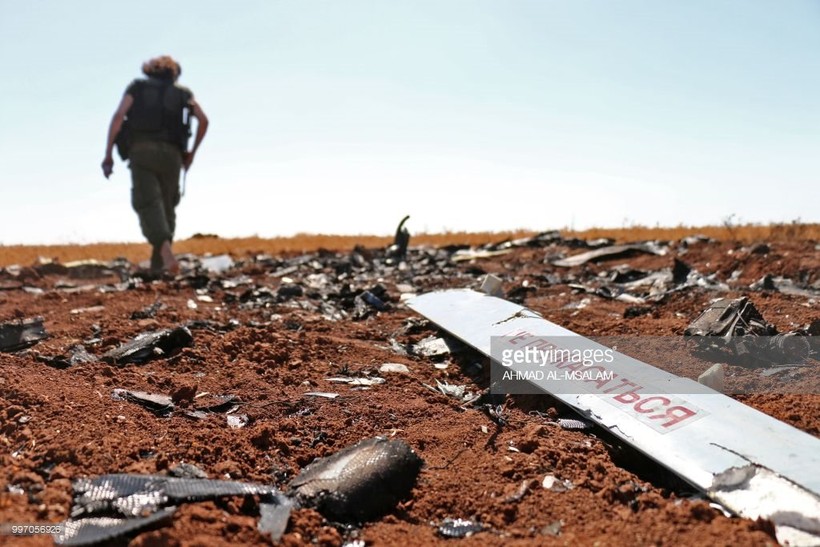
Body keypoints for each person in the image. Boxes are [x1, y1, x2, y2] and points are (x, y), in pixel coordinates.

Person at [101, 55, 208, 273]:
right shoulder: (183, 93)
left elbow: (119, 116)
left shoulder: (137, 88)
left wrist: (108, 153)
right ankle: (159, 266)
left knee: (148, 202)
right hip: (172, 154)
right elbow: (203, 120)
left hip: (142, 151)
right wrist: (192, 154)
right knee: (167, 206)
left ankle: (166, 257)